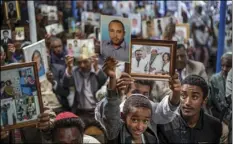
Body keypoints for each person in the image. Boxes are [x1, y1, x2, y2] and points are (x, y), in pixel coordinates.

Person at [95, 57, 181, 143]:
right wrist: (112, 80)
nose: (140, 97)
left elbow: (166, 110)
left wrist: (176, 92)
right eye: (135, 92)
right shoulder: (118, 112)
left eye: (145, 94)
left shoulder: (152, 137)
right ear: (126, 92)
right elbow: (110, 113)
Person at [157, 75, 222, 143]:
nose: (187, 102)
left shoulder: (215, 126)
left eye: (194, 97)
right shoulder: (165, 124)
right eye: (183, 96)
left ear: (204, 100)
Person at [63, 54, 108, 129]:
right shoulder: (75, 71)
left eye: (85, 62)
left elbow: (104, 82)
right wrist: (69, 68)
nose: (82, 65)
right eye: (79, 62)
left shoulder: (99, 69)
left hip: (97, 112)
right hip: (81, 113)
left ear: (92, 60)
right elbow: (66, 84)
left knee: (103, 135)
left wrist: (96, 68)